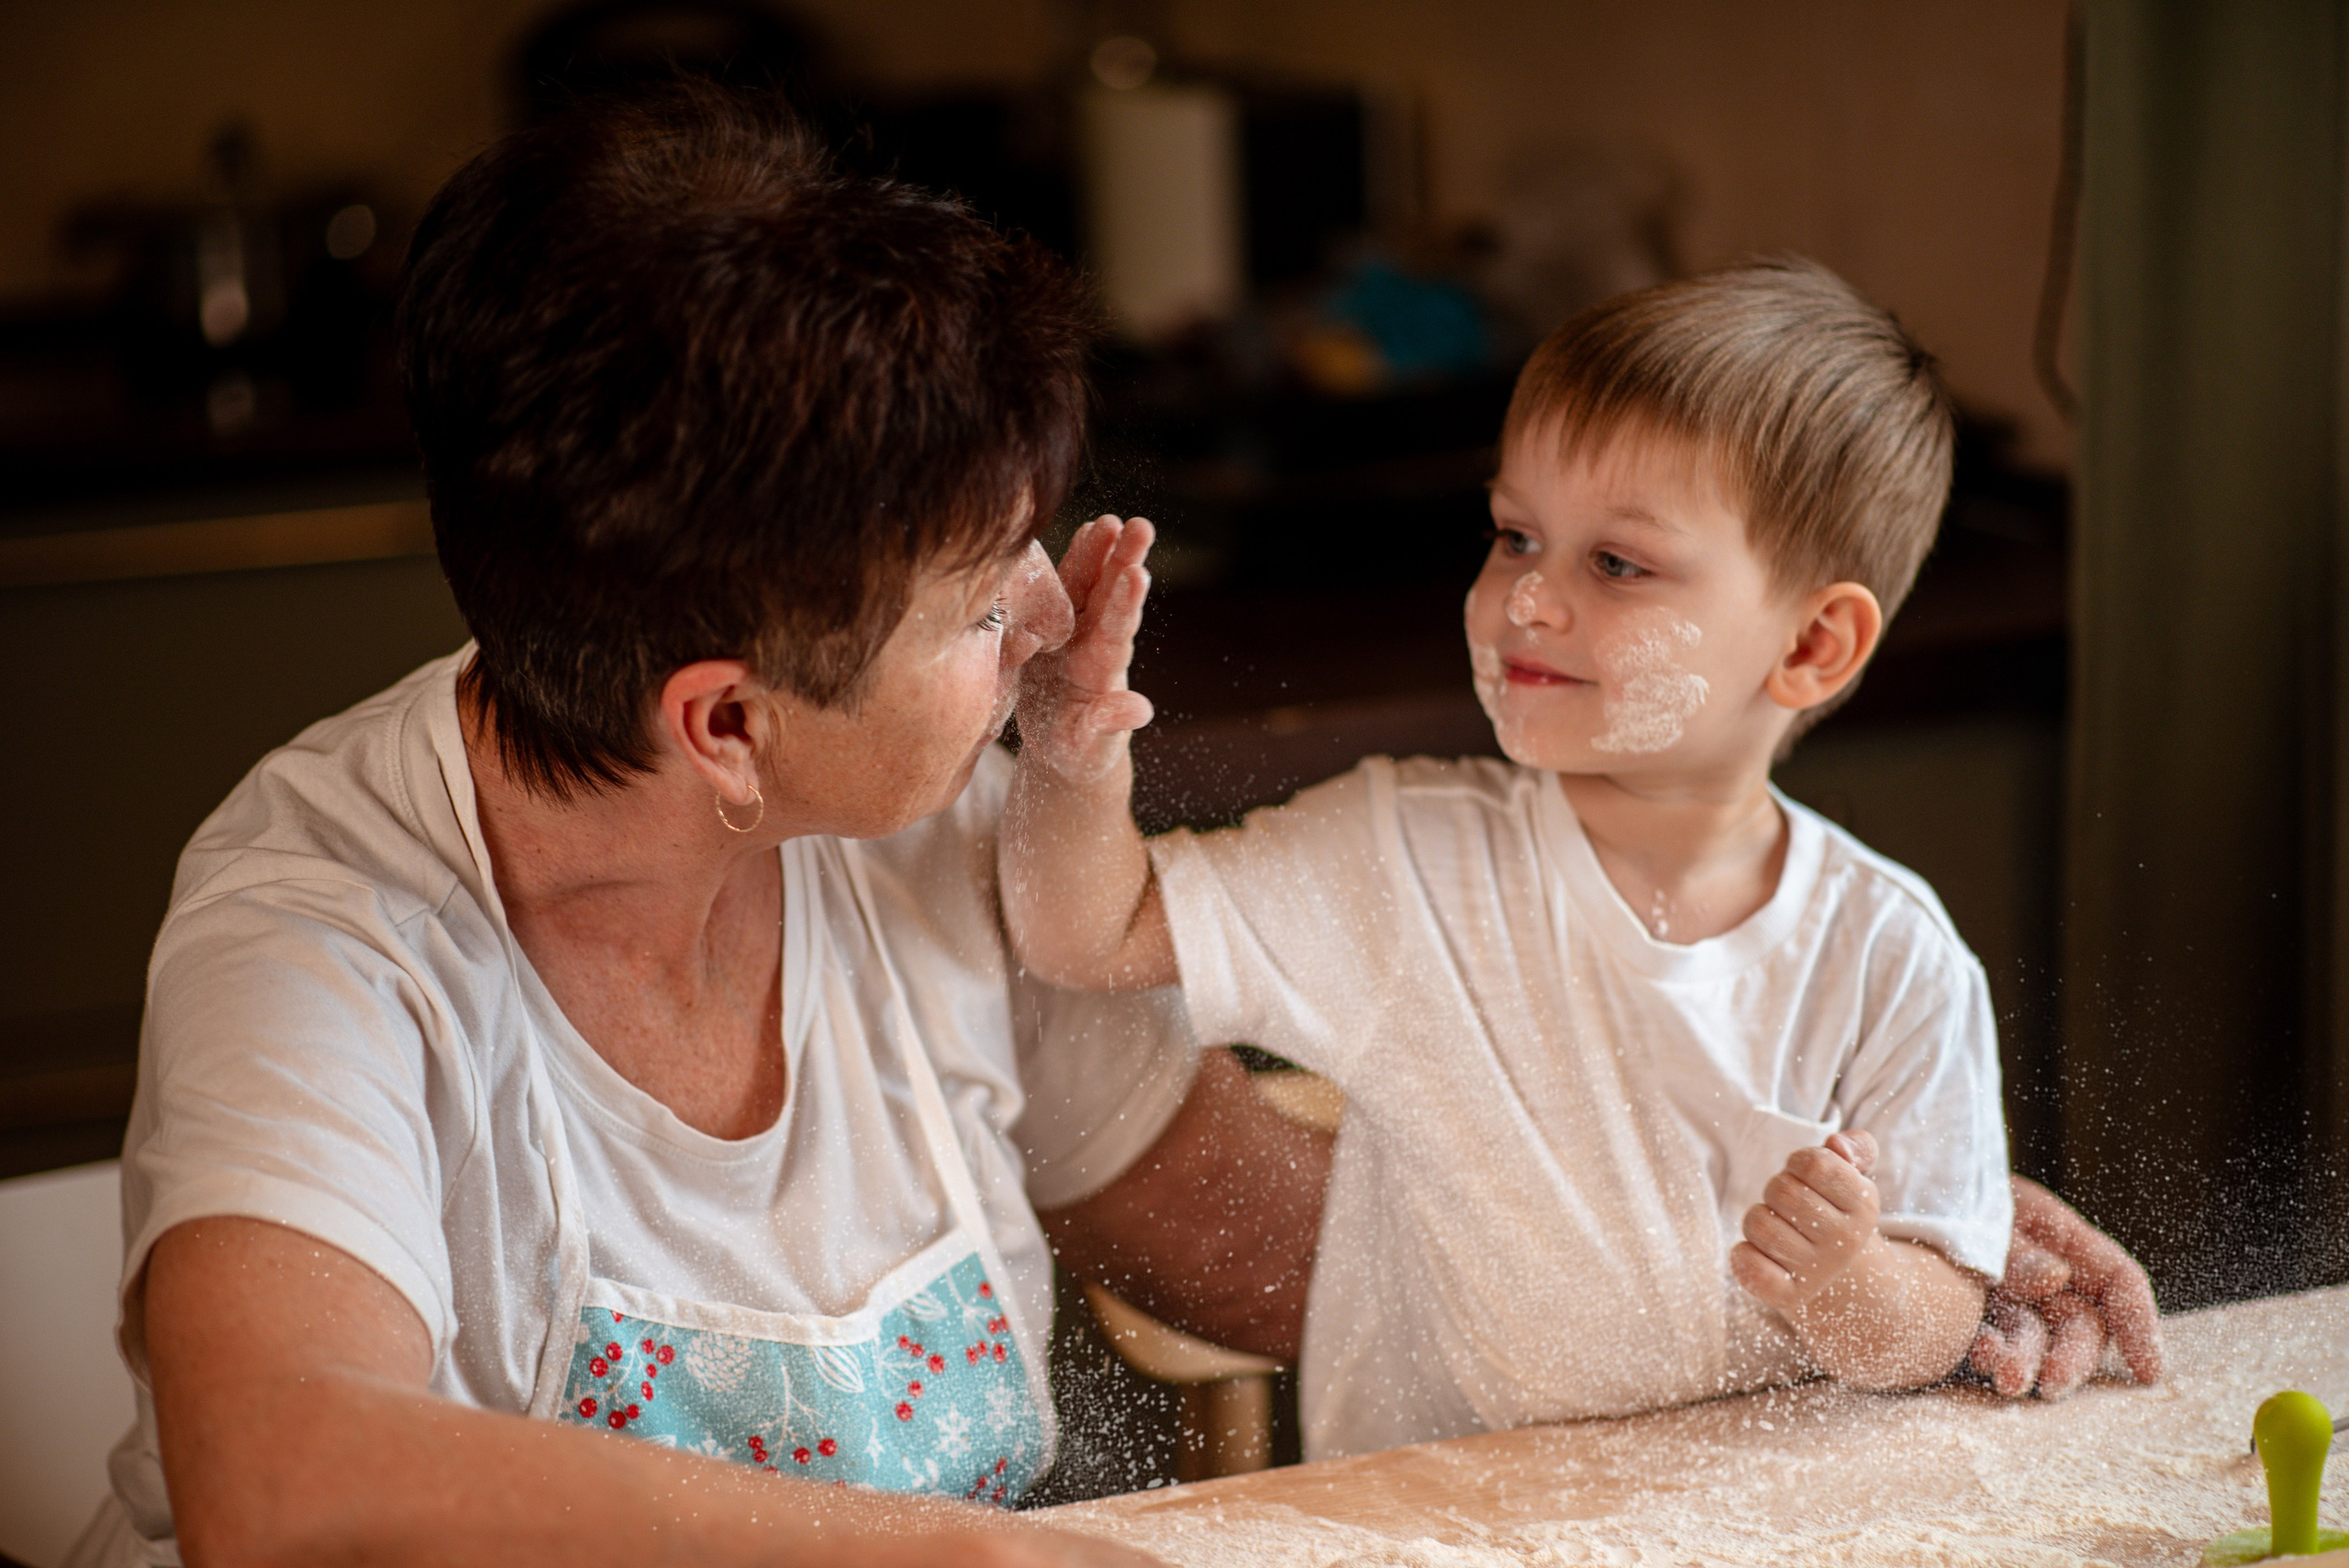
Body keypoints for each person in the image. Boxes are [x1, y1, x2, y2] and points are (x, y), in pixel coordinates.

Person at [73, 85, 2156, 1565]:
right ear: (723, 722)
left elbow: (1236, 1222)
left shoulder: (926, 840)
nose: (1040, 623)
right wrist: (965, 1563)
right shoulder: (322, 923)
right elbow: (292, 1481)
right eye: (978, 600)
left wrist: (1809, 1287)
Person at [999, 259, 2159, 1462]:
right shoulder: (1405, 859)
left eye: (1616, 563)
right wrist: (1070, 752)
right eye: (1515, 535)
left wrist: (1847, 1274)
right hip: (1444, 1533)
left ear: (1814, 642)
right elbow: (1088, 932)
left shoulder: (1891, 954)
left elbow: (1935, 1323)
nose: (1528, 600)